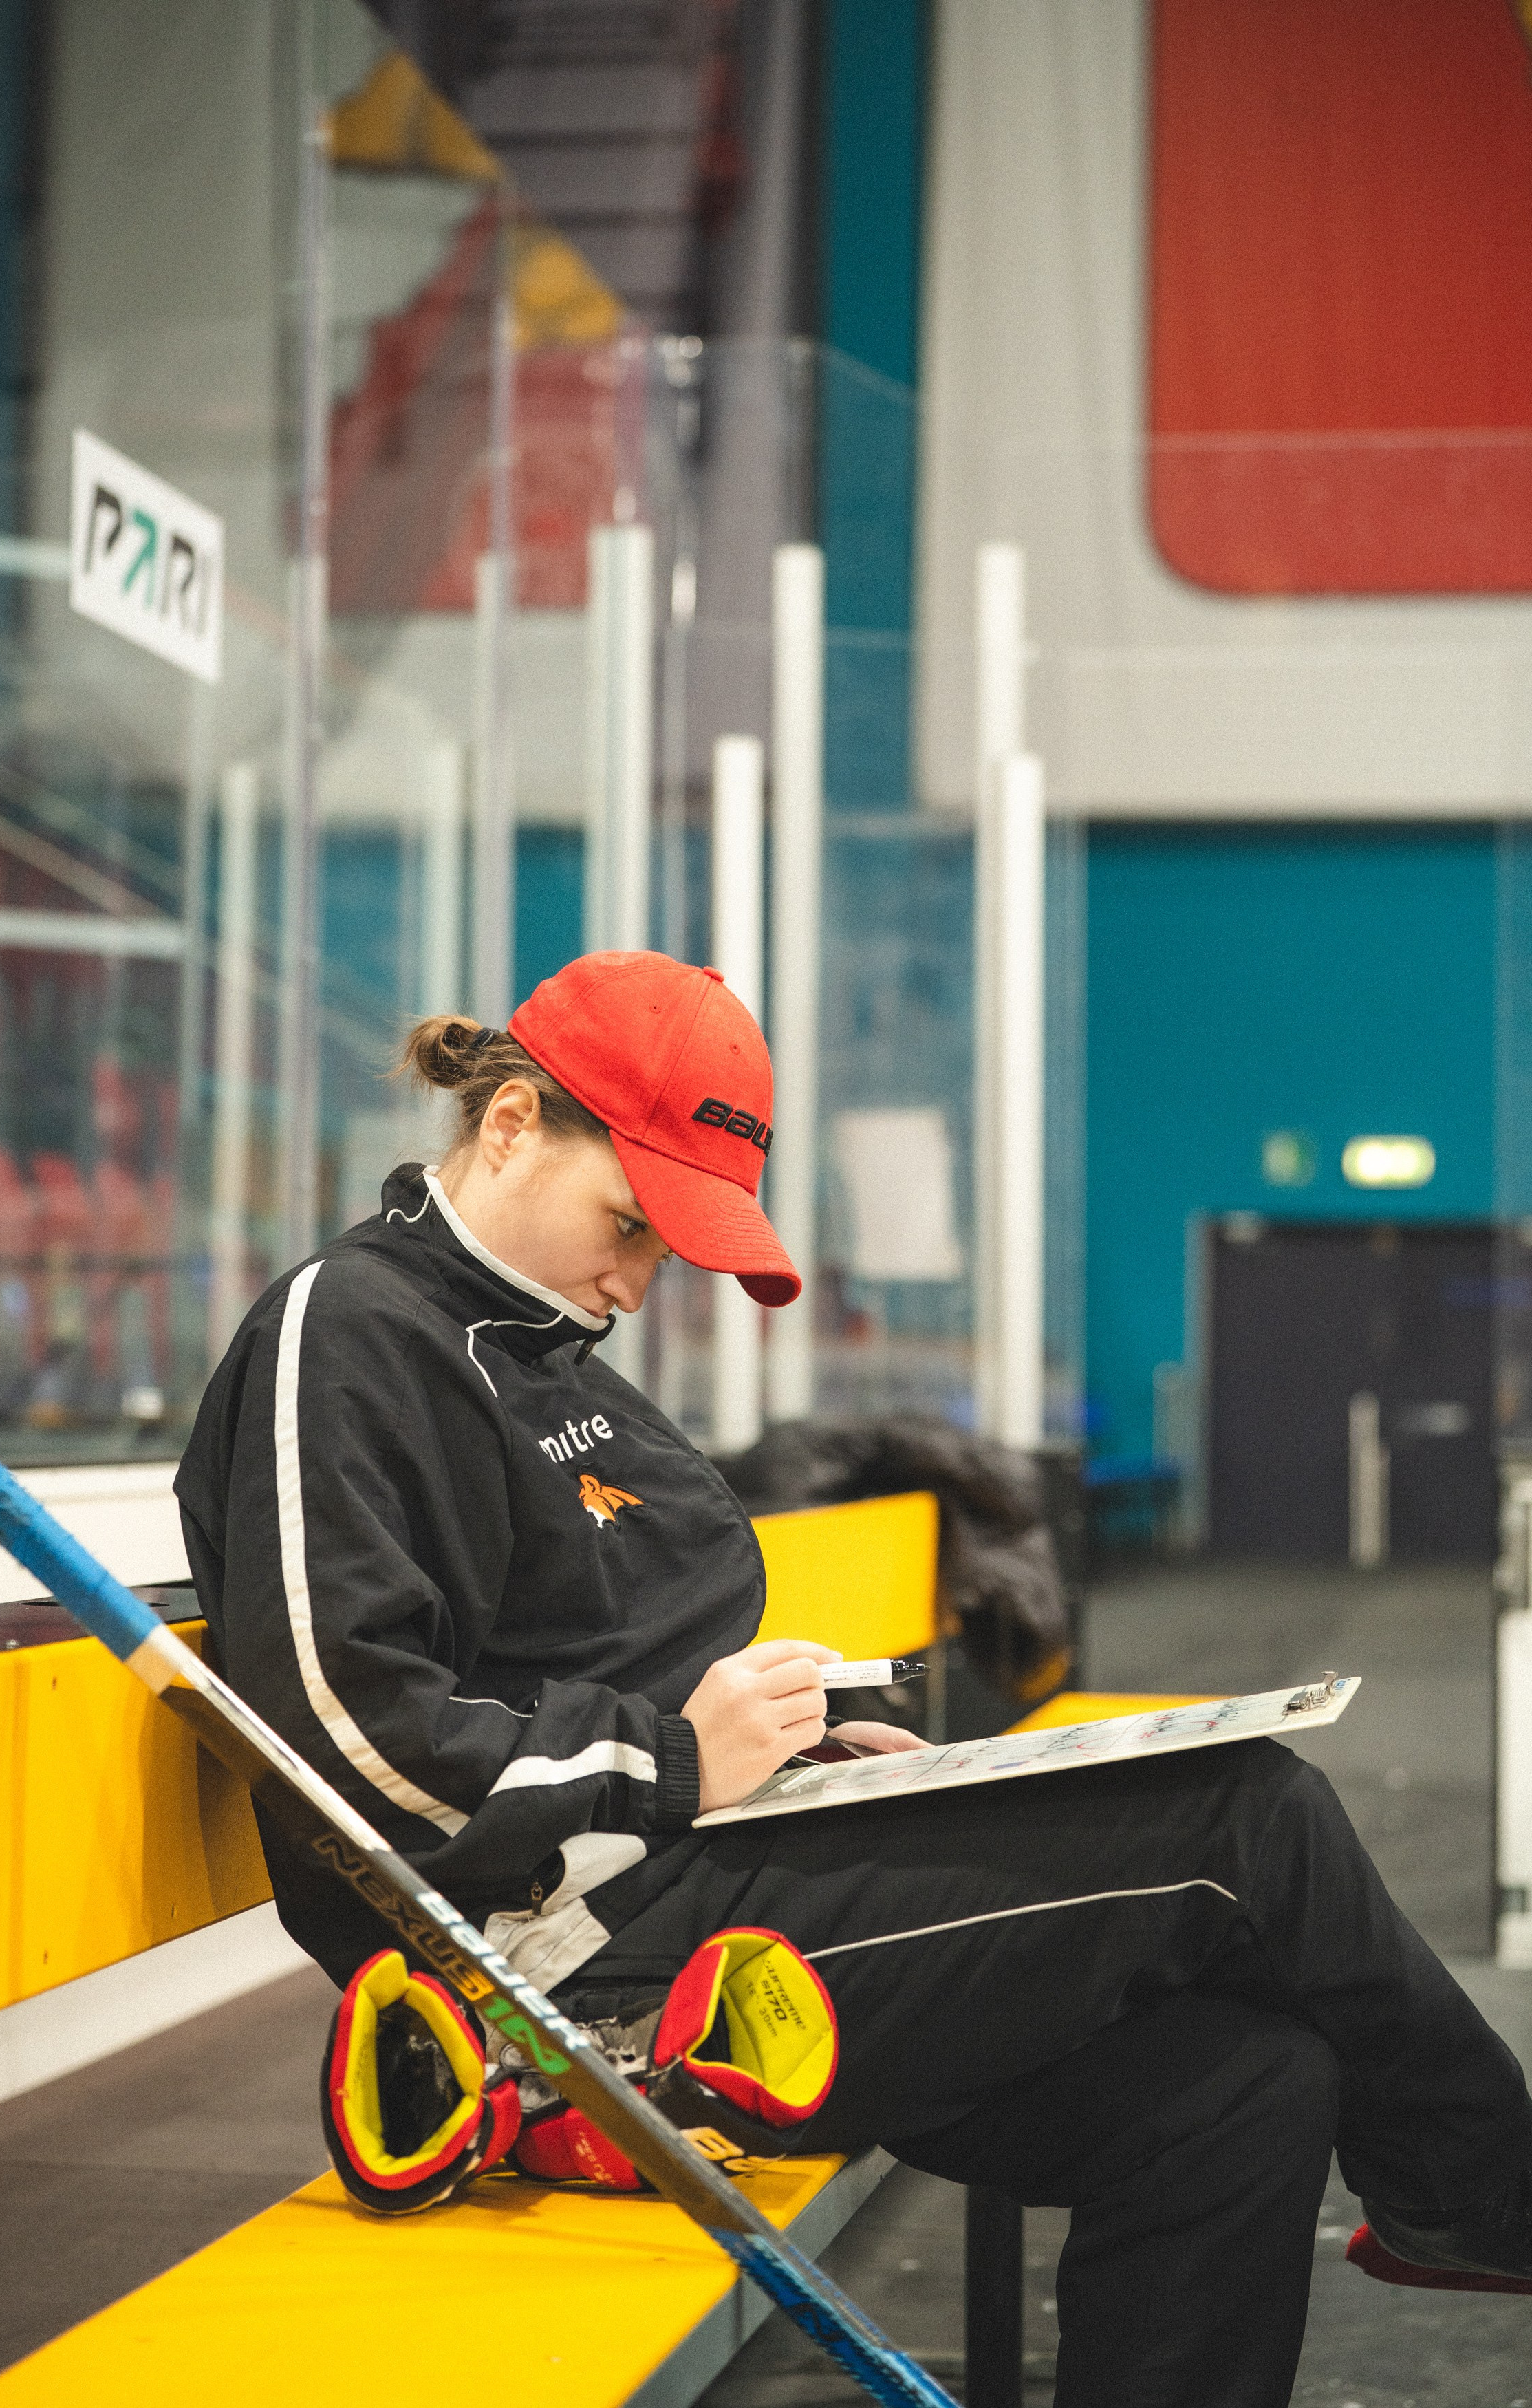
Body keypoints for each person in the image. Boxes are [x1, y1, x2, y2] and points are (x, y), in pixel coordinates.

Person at [177, 948, 1531, 2408]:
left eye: (662, 1250)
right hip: (575, 1972)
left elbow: (603, 1662)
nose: (639, 1282)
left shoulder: (547, 1347)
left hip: (713, 1875)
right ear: (509, 1123)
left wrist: (808, 1758)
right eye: (630, 1224)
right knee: (1248, 1815)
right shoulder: (353, 1330)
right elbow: (336, 1733)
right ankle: (1493, 2195)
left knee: (1251, 2084)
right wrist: (683, 1755)